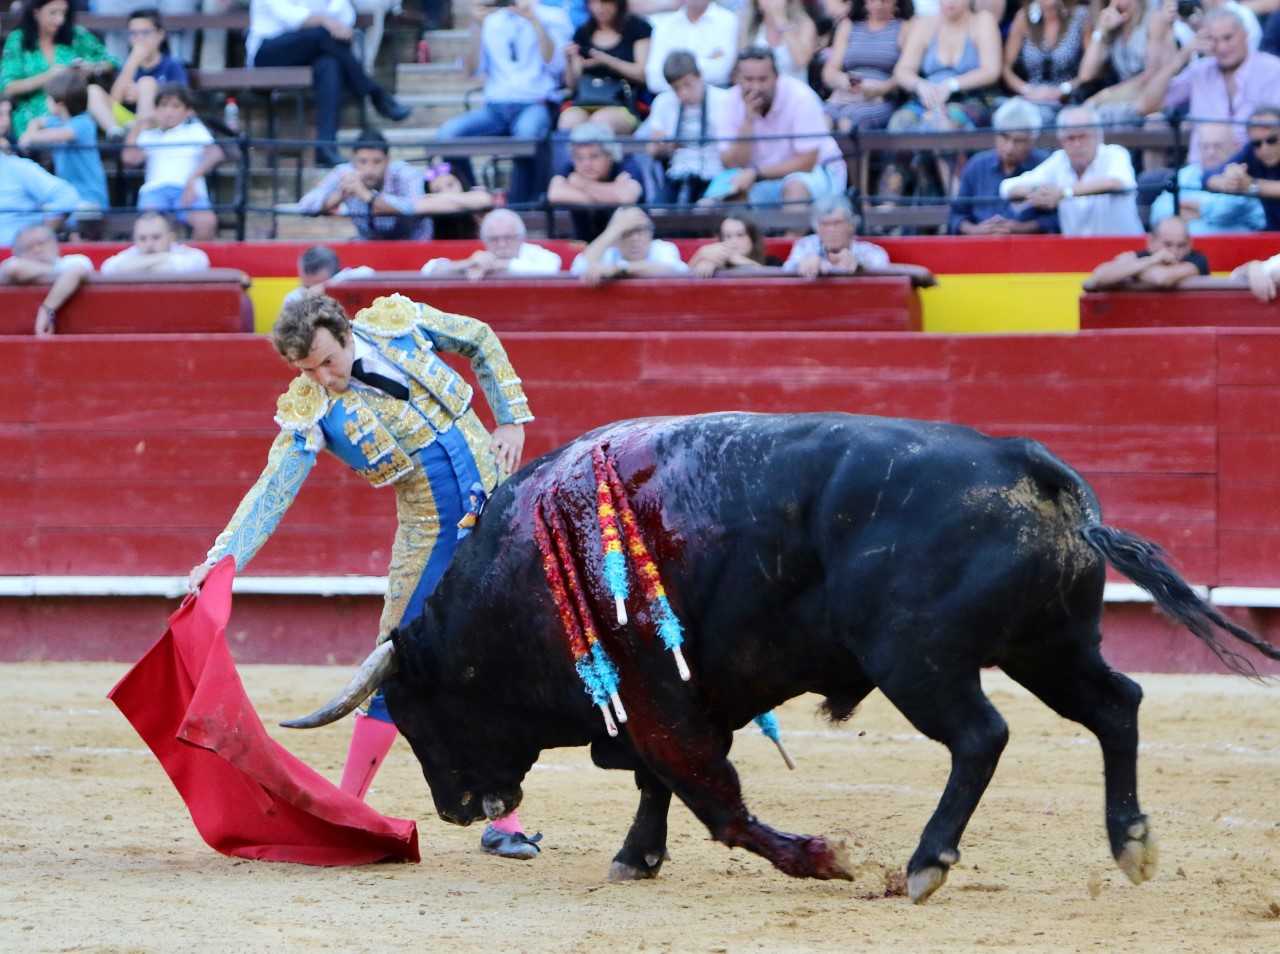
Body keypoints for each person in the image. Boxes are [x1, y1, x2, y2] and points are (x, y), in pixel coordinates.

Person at [186, 293, 543, 860]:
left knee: (496, 664)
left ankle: (504, 820)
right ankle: (345, 809)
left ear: (345, 331)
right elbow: (272, 490)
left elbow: (478, 336)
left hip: (498, 521)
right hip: (429, 538)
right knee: (394, 665)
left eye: (328, 361)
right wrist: (223, 558)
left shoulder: (399, 326)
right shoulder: (312, 408)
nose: (323, 378)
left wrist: (512, 418)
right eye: (307, 370)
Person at [436, 0, 573, 204]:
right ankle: (475, 199)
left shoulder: (553, 16)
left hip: (535, 102)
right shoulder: (491, 20)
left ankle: (522, 205)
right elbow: (471, 70)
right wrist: (476, 27)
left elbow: (556, 65)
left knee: (527, 136)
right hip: (496, 107)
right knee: (447, 136)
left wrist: (534, 20)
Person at [248, 0, 410, 168]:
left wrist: (331, 23)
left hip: (312, 50)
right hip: (267, 53)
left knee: (329, 64)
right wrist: (326, 21)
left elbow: (345, 14)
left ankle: (325, 147)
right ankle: (374, 92)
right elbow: (292, 18)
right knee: (322, 34)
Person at [1136, 7, 1280, 164]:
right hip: (1201, 170)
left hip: (1255, 170)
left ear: (1245, 35)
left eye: (1228, 38)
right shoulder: (1199, 70)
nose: (1222, 47)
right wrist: (1182, 57)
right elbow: (1145, 106)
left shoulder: (1272, 69)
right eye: (1214, 40)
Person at [716, 46, 847, 208]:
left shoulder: (800, 97)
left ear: (776, 77)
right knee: (730, 196)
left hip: (817, 171)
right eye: (749, 79)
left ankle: (792, 235)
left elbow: (807, 162)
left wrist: (757, 173)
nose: (756, 87)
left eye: (762, 79)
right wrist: (748, 121)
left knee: (795, 189)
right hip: (760, 177)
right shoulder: (729, 100)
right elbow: (731, 163)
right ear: (737, 78)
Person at [998, 104, 1143, 236]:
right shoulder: (1059, 160)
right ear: (1061, 141)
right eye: (1070, 138)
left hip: (1124, 251)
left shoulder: (1115, 153)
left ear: (1098, 136)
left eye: (1083, 136)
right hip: (1076, 253)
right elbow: (1007, 187)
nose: (1077, 144)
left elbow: (1117, 182)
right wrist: (1038, 193)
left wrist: (1064, 192)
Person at [1, 0, 119, 139]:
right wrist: (49, 76)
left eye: (63, 13)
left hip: (74, 108)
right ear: (36, 12)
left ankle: (116, 134)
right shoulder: (18, 39)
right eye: (53, 13)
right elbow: (7, 86)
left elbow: (111, 61)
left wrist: (91, 68)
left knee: (92, 92)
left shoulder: (76, 34)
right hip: (34, 113)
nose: (60, 20)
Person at [122, 83, 225, 240]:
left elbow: (216, 153)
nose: (168, 112)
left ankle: (192, 262)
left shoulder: (195, 130)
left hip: (188, 190)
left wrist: (192, 179)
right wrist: (140, 124)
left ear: (187, 111)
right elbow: (129, 159)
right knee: (148, 226)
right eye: (163, 106)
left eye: (175, 106)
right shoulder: (149, 134)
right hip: (155, 192)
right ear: (156, 109)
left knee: (206, 222)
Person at [296, 128, 430, 240]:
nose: (369, 170)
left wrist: (368, 196)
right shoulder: (344, 173)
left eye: (377, 162)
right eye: (363, 162)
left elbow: (415, 208)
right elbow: (305, 205)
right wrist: (340, 195)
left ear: (388, 160)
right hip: (368, 247)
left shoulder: (405, 173)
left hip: (413, 244)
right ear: (353, 161)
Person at [949, 96, 1057, 235]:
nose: (1009, 147)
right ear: (995, 135)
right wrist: (976, 230)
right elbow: (956, 216)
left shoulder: (1046, 165)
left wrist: (1021, 228)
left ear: (1032, 140)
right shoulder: (977, 166)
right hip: (981, 247)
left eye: (1019, 141)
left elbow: (1057, 219)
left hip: (1030, 248)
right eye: (1004, 137)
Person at [889, 0, 1002, 132]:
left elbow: (991, 71)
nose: (949, 2)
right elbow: (902, 70)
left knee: (944, 125)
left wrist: (952, 85)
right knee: (898, 124)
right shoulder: (925, 24)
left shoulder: (982, 21)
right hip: (927, 99)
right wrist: (920, 85)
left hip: (970, 99)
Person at [641, 50, 733, 205]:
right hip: (678, 173)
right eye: (676, 88)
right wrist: (667, 146)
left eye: (688, 85)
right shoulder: (663, 102)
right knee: (657, 213)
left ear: (700, 76)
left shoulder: (725, 100)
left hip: (716, 173)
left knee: (705, 209)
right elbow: (653, 149)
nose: (683, 93)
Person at [17, 70, 110, 217]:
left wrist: (30, 137)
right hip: (69, 197)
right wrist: (31, 130)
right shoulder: (57, 121)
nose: (46, 102)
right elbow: (36, 122)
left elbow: (62, 134)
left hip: (90, 198)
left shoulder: (83, 123)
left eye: (48, 99)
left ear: (59, 104)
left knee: (61, 214)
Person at [1149, 120, 1266, 233]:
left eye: (1217, 146)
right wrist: (1205, 211)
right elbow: (1158, 212)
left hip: (1238, 249)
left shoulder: (1242, 174)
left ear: (1235, 147)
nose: (1211, 152)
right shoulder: (1188, 173)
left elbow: (1223, 213)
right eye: (1205, 146)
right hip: (1185, 249)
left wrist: (1195, 209)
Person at [559, 0, 652, 135]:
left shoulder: (637, 28)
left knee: (600, 123)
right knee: (568, 121)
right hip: (585, 101)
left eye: (605, 2)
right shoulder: (583, 32)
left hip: (623, 104)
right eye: (593, 2)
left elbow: (642, 75)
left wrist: (606, 60)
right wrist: (569, 61)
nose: (599, 8)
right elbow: (572, 85)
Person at [0, 99, 82, 247]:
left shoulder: (18, 167)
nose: (5, 122)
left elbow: (67, 196)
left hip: (13, 257)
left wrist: (37, 237)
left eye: (6, 115)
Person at [821, 0, 911, 133]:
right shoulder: (849, 26)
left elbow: (906, 70)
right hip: (847, 92)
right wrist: (850, 83)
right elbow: (829, 71)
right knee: (823, 119)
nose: (879, 5)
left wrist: (881, 89)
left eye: (884, 1)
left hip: (881, 98)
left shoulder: (903, 28)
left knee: (849, 120)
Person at [547, 121, 644, 240]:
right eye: (579, 157)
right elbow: (554, 193)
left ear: (610, 155)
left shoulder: (627, 165)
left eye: (594, 156)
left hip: (626, 246)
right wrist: (612, 194)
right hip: (585, 245)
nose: (586, 164)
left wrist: (583, 185)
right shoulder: (570, 167)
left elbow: (626, 197)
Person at [1000, 0, 1093, 124]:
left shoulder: (1080, 16)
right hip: (1032, 97)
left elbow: (1093, 69)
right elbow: (1005, 67)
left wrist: (1064, 89)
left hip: (1070, 98)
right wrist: (1026, 89)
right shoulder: (1023, 17)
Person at [0, 222, 93, 334]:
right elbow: (13, 268)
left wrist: (46, 310)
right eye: (29, 247)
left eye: (41, 243)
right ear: (17, 253)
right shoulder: (12, 264)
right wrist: (58, 274)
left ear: (55, 244)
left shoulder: (73, 260)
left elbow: (78, 270)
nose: (37, 249)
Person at [421, 208, 564, 279]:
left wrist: (498, 265)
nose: (501, 244)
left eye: (509, 237)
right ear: (484, 240)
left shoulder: (535, 253)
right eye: (494, 239)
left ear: (521, 237)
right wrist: (468, 264)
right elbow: (428, 270)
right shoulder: (478, 258)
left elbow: (552, 267)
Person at [1203, 105, 1280, 231]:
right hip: (1272, 233)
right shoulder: (1251, 151)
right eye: (1257, 143)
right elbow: (1208, 176)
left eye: (1271, 140)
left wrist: (1251, 186)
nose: (1264, 148)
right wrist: (1227, 182)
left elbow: (1250, 185)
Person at [569, 205, 689, 284]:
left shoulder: (663, 248)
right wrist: (614, 229)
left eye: (640, 230)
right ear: (614, 238)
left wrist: (618, 269)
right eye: (626, 232)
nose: (635, 239)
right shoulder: (608, 252)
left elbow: (671, 270)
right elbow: (580, 268)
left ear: (651, 233)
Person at [108, 8, 189, 125]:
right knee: (93, 92)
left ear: (160, 35)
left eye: (145, 33)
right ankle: (115, 132)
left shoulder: (172, 65)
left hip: (159, 122)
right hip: (128, 122)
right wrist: (132, 61)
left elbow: (180, 101)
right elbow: (113, 102)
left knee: (146, 83)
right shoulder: (128, 65)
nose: (139, 38)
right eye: (134, 33)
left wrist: (145, 94)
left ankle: (144, 133)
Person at [1084, 216, 1209, 290]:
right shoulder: (1145, 258)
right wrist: (1152, 260)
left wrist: (1132, 270)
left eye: (1181, 245)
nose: (1175, 251)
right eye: (1167, 244)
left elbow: (1162, 278)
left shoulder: (1197, 259)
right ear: (1151, 242)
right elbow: (1099, 276)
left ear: (1190, 243)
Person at [782, 194, 891, 277]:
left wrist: (859, 265)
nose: (831, 230)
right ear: (817, 228)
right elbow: (784, 272)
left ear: (851, 225)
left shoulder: (871, 252)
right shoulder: (805, 246)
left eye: (837, 223)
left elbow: (883, 272)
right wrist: (801, 265)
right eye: (825, 224)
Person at [645, 0, 740, 93]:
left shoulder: (728, 20)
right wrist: (706, 61)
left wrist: (673, 70)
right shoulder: (665, 24)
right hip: (670, 98)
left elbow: (722, 72)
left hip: (717, 98)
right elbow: (654, 80)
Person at [100, 211, 214, 273]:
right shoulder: (132, 252)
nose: (149, 244)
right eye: (142, 238)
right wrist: (164, 258)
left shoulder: (190, 254)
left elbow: (200, 261)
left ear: (171, 238)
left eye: (156, 237)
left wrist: (135, 266)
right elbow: (108, 268)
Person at [739, 0, 819, 83]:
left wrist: (781, 20)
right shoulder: (749, 27)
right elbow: (742, 66)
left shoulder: (804, 25)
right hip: (760, 91)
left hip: (795, 90)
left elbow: (802, 61)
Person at [281, 245, 375, 306]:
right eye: (308, 286)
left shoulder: (346, 281)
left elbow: (368, 272)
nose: (313, 289)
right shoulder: (294, 298)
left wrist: (326, 288)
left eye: (317, 284)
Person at [688, 214, 780, 276]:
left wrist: (741, 261)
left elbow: (776, 280)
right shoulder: (716, 264)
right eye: (728, 236)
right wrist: (699, 256)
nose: (734, 241)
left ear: (752, 238)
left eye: (740, 235)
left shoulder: (772, 261)